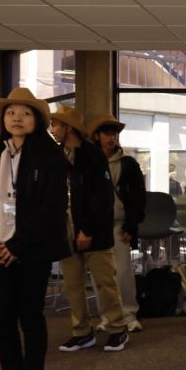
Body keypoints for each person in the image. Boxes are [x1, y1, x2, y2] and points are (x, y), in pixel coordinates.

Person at [0, 88, 70, 370]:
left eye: (25, 113)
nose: (16, 118)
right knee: (3, 318)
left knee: (30, 315)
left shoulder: (49, 155)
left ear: (37, 120)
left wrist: (17, 245)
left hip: (30, 250)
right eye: (11, 112)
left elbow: (50, 208)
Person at [50, 107, 132, 353]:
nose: (52, 129)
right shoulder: (55, 156)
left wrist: (87, 229)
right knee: (72, 285)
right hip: (66, 232)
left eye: (56, 125)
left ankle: (118, 328)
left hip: (95, 233)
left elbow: (102, 198)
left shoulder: (92, 156)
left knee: (105, 282)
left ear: (69, 127)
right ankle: (82, 332)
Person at [88, 113, 145, 333]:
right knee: (101, 276)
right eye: (107, 133)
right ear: (97, 136)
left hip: (119, 225)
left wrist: (132, 225)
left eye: (114, 134)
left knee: (123, 273)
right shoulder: (90, 162)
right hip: (97, 227)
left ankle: (129, 313)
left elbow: (138, 197)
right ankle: (107, 315)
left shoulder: (128, 164)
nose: (111, 138)